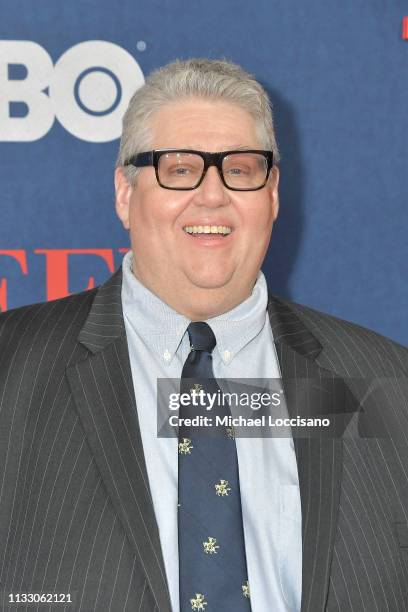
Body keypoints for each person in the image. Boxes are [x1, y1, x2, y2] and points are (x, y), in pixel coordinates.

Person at [0, 58, 407, 612]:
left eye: (239, 169)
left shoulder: (387, 387)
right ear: (125, 192)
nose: (212, 195)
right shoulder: (10, 370)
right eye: (180, 168)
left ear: (273, 194)